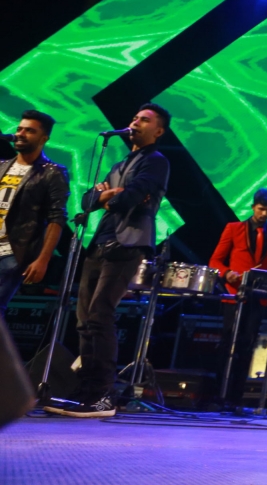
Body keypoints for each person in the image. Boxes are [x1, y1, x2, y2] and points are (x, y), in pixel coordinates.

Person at [45, 103, 172, 418]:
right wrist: (103, 196)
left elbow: (130, 197)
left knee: (101, 315)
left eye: (145, 120)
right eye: (135, 117)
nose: (135, 122)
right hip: (99, 243)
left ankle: (104, 394)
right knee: (84, 320)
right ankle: (86, 390)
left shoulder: (156, 161)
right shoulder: (119, 164)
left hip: (128, 244)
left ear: (158, 130)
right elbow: (87, 200)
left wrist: (108, 196)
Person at [209, 188, 267, 412]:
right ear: (253, 207)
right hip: (234, 296)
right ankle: (218, 395)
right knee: (228, 344)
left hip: (258, 298)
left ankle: (236, 398)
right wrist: (226, 273)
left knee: (247, 346)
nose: (264, 214)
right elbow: (215, 261)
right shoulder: (234, 229)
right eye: (261, 209)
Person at [0, 110, 69, 315]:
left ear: (44, 138)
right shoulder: (2, 166)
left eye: (29, 131)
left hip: (12, 253)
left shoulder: (52, 172)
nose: (20, 134)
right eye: (19, 129)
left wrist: (43, 259)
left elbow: (57, 218)